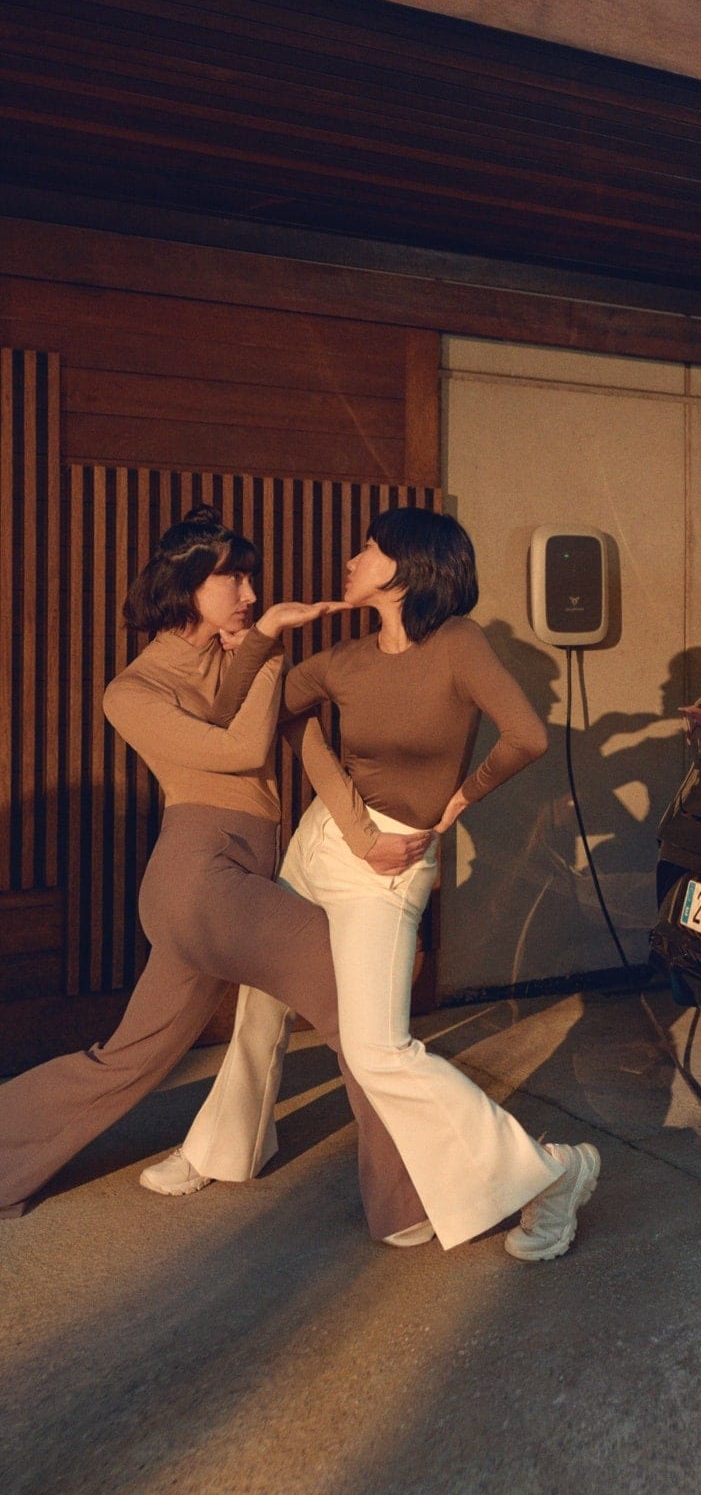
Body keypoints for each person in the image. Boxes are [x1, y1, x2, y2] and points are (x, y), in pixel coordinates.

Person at [142, 508, 600, 1262]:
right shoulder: (345, 658)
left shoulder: (459, 646)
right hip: (322, 840)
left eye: (368, 548)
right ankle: (225, 1150)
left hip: (388, 868)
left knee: (379, 1048)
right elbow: (251, 719)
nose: (351, 559)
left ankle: (553, 1173)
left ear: (406, 567)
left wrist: (459, 802)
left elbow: (528, 736)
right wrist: (264, 641)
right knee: (260, 1002)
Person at [0, 506, 428, 1239]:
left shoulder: (249, 657)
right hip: (198, 881)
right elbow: (236, 750)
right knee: (358, 1000)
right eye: (233, 575)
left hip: (232, 880)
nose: (250, 590)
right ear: (187, 582)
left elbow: (308, 749)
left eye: (249, 576)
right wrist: (263, 648)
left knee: (129, 1059)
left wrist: (363, 836)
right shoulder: (131, 690)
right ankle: (411, 1205)